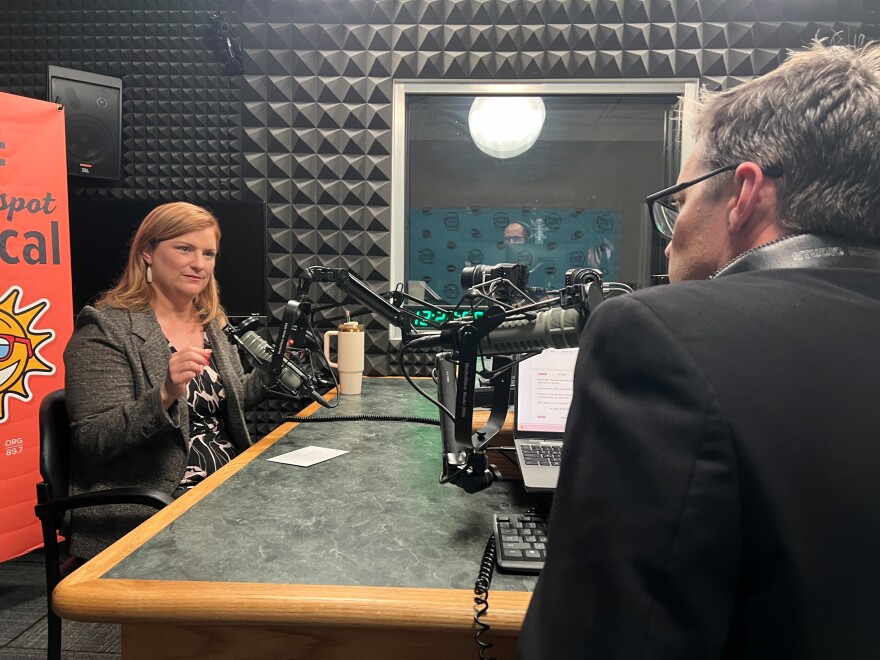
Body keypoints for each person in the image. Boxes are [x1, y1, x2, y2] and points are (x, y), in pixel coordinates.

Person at [519, 41, 880, 658]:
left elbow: (601, 642)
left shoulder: (654, 333)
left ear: (743, 194)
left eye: (678, 205)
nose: (669, 241)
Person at [63, 202, 269, 561]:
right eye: (184, 248)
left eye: (209, 253)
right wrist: (164, 394)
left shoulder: (211, 322)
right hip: (154, 497)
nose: (199, 264)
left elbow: (232, 399)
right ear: (147, 252)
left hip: (226, 482)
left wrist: (274, 368)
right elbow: (95, 439)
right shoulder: (106, 327)